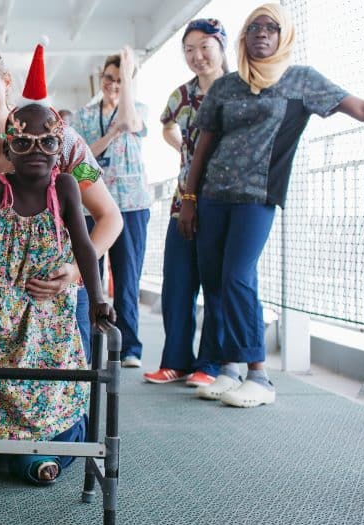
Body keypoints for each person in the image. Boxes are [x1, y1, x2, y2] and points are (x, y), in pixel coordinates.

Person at [178, 3, 364, 407]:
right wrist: (189, 199)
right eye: (253, 27)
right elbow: (203, 147)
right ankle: (229, 369)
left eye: (270, 27)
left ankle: (259, 376)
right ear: (243, 38)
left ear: (283, 35)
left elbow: (360, 108)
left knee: (238, 276)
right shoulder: (225, 87)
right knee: (214, 282)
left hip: (258, 197)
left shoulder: (301, 81)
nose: (262, 33)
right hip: (213, 196)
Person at [0, 99, 115, 485]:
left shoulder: (67, 186)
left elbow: (85, 245)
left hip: (49, 314)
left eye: (47, 143)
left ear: (61, 148)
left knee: (47, 383)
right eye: (23, 144)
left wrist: (99, 300)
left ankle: (33, 452)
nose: (36, 152)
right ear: (8, 150)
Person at [0, 42, 123, 358]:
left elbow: (110, 218)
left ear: (6, 82)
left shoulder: (58, 137)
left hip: (59, 299)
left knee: (66, 398)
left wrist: (73, 272)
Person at [142, 19, 228, 387]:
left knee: (217, 285)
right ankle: (176, 359)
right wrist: (183, 148)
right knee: (177, 283)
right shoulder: (182, 93)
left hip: (224, 202)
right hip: (183, 201)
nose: (197, 56)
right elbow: (166, 125)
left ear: (222, 47)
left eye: (205, 47)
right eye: (189, 49)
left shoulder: (236, 90)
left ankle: (211, 364)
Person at [68, 46, 150, 369]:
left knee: (127, 278)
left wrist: (127, 82)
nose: (113, 85)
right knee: (91, 279)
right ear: (99, 79)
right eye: (109, 78)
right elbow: (85, 152)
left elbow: (130, 121)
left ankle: (129, 347)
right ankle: (88, 346)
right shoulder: (85, 116)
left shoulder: (137, 107)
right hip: (93, 207)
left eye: (120, 80)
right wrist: (113, 131)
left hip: (131, 204)